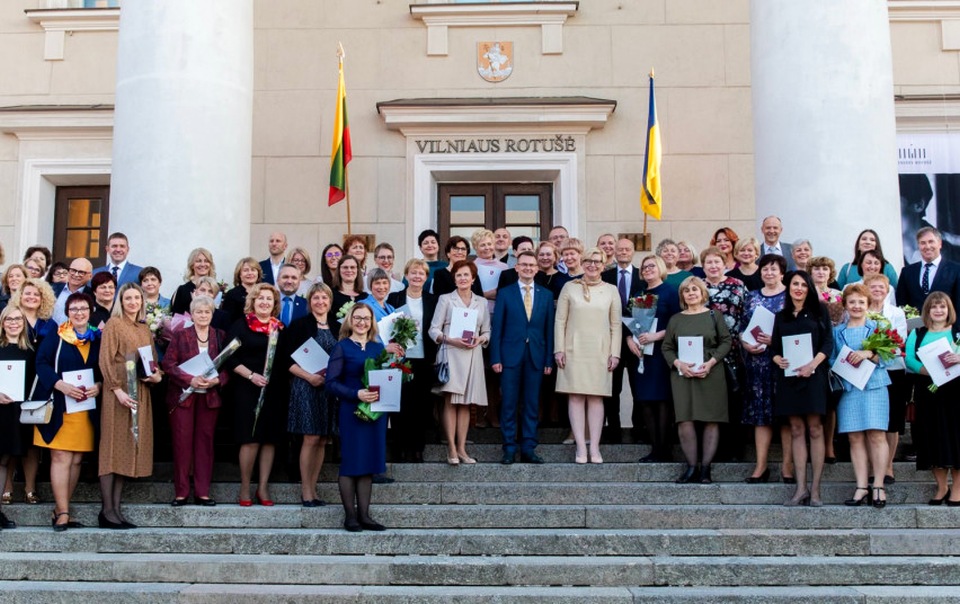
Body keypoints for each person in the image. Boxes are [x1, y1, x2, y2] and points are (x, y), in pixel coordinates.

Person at [34, 292, 102, 531]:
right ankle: (63, 512)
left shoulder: (97, 337)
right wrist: (58, 384)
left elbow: (102, 369)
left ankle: (62, 508)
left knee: (76, 460)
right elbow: (40, 362)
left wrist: (99, 386)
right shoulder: (58, 334)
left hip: (84, 407)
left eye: (83, 308)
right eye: (74, 309)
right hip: (61, 405)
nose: (79, 313)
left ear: (90, 311)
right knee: (61, 457)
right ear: (68, 313)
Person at [97, 283, 161, 528]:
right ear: (121, 301)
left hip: (140, 393)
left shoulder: (144, 329)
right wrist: (116, 390)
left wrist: (156, 376)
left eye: (137, 298)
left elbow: (152, 362)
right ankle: (106, 510)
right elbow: (105, 359)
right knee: (112, 449)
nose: (133, 302)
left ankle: (116, 510)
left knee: (127, 450)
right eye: (128, 298)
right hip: (119, 395)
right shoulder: (115, 324)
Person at [770, 271, 833, 507]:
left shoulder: (820, 311)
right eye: (795, 284)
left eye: (803, 285)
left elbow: (828, 343)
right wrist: (777, 359)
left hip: (814, 375)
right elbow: (774, 347)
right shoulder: (781, 316)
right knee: (796, 429)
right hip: (789, 378)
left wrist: (812, 365)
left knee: (815, 429)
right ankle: (800, 489)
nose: (798, 288)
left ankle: (815, 490)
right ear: (788, 288)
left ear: (809, 288)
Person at [662, 276, 732, 484]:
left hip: (710, 371)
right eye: (687, 290)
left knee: (711, 419)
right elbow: (666, 347)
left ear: (703, 293)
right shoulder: (675, 319)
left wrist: (711, 363)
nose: (691, 293)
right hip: (683, 375)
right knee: (685, 420)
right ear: (682, 295)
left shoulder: (714, 315)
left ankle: (705, 469)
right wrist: (678, 364)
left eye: (695, 289)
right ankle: (691, 467)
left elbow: (726, 341)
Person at [554, 247, 620, 464]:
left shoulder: (611, 290)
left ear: (603, 265)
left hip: (600, 351)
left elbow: (615, 324)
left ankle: (595, 448)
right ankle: (581, 447)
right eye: (588, 261)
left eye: (597, 261)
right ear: (582, 263)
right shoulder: (569, 287)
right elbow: (560, 321)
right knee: (575, 396)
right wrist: (559, 349)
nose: (593, 265)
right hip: (574, 349)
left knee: (596, 397)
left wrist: (615, 353)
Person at [325, 302, 387, 532]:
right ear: (351, 320)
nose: (362, 322)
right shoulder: (342, 347)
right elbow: (330, 383)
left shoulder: (377, 348)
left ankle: (365, 515)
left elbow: (383, 378)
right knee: (351, 462)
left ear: (372, 323)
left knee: (368, 463)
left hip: (375, 414)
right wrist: (356, 393)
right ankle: (350, 516)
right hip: (352, 411)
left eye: (367, 319)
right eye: (358, 318)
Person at [161, 295, 227, 507]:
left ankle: (202, 492)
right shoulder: (180, 335)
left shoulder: (220, 336)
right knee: (182, 443)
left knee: (204, 444)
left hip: (209, 397)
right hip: (184, 396)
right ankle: (181, 492)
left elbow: (228, 366)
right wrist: (191, 379)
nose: (203, 315)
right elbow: (168, 365)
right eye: (199, 312)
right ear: (192, 314)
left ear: (212, 314)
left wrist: (218, 380)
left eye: (207, 312)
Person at [490, 251, 555, 464]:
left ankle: (528, 447)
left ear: (537, 269)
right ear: (516, 268)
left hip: (536, 357)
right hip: (509, 357)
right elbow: (497, 327)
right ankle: (509, 447)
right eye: (524, 265)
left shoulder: (545, 295)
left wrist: (548, 360)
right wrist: (495, 357)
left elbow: (549, 330)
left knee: (531, 404)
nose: (528, 268)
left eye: (532, 265)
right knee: (508, 403)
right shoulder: (506, 293)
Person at [832, 283, 892, 508]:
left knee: (877, 435)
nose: (856, 306)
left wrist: (870, 353)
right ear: (845, 305)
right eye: (852, 302)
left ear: (868, 305)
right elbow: (831, 360)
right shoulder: (837, 332)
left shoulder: (877, 327)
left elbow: (890, 357)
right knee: (854, 437)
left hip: (875, 386)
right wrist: (840, 363)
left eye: (861, 302)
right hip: (849, 388)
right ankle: (860, 486)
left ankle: (878, 485)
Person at [225, 283, 284, 506]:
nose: (264, 302)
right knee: (249, 439)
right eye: (260, 298)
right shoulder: (240, 326)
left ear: (274, 303)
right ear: (253, 301)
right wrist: (251, 376)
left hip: (273, 389)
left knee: (269, 440)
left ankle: (263, 487)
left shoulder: (279, 327)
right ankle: (245, 487)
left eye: (269, 299)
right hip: (247, 387)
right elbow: (229, 357)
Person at [281, 282, 339, 507]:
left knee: (323, 439)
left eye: (324, 298)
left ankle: (314, 489)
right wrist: (309, 377)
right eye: (316, 298)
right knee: (311, 437)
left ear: (330, 302)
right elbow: (286, 360)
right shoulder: (298, 325)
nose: (320, 302)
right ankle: (306, 491)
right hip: (306, 386)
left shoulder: (338, 326)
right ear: (309, 302)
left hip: (329, 389)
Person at [429, 260, 490, 464]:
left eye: (466, 275)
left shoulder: (481, 301)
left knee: (465, 404)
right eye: (459, 275)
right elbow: (433, 330)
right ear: (454, 279)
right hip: (451, 353)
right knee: (450, 401)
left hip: (472, 354)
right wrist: (450, 339)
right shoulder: (446, 299)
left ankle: (462, 449)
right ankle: (451, 449)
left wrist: (481, 339)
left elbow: (487, 331)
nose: (463, 278)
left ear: (473, 279)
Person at [3, 279, 56, 505]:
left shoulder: (49, 325)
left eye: (36, 294)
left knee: (31, 443)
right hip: (7, 393)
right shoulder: (10, 321)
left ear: (43, 298)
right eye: (27, 294)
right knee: (9, 442)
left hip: (34, 389)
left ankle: (30, 488)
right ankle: (6, 489)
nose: (32, 297)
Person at [904, 292, 960, 506]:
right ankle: (941, 486)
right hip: (927, 390)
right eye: (934, 307)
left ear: (949, 310)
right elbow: (909, 358)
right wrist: (925, 370)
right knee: (931, 437)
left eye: (942, 307)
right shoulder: (917, 333)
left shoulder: (957, 333)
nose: (938, 311)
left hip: (954, 393)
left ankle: (957, 488)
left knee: (954, 438)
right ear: (927, 311)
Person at [741, 254, 791, 483]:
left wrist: (775, 341)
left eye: (774, 269)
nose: (769, 273)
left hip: (782, 363)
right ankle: (761, 466)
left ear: (782, 273)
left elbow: (796, 330)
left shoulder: (790, 297)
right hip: (757, 365)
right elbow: (742, 328)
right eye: (765, 269)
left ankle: (787, 466)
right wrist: (745, 344)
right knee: (761, 417)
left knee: (786, 417)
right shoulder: (751, 297)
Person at [627, 254, 681, 460]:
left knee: (662, 401)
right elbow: (628, 322)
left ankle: (665, 449)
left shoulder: (670, 292)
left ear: (660, 268)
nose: (648, 269)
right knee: (645, 401)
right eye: (644, 267)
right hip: (641, 355)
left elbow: (678, 321)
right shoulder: (638, 293)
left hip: (661, 354)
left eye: (652, 266)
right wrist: (629, 341)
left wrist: (656, 336)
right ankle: (654, 448)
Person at [388, 259, 438, 463]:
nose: (417, 277)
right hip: (400, 358)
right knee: (400, 404)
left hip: (424, 359)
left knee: (421, 405)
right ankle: (399, 448)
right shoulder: (395, 297)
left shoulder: (433, 300)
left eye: (422, 274)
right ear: (406, 275)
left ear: (426, 278)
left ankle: (417, 448)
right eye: (413, 273)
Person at [701, 247, 748, 462]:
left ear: (725, 264)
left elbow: (746, 315)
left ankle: (735, 450)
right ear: (703, 266)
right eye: (708, 262)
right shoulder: (697, 287)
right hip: (705, 354)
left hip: (733, 352)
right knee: (711, 403)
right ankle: (713, 451)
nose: (713, 266)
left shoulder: (737, 286)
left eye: (716, 262)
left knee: (733, 400)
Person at [865, 273, 908, 485]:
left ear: (888, 289)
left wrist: (874, 352)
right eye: (873, 287)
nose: (877, 290)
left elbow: (899, 341)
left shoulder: (897, 313)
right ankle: (873, 465)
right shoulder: (859, 311)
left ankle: (888, 465)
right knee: (872, 420)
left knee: (892, 421)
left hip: (892, 370)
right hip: (866, 372)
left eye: (881, 287)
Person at [601, 238, 642, 445]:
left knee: (638, 387)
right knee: (612, 388)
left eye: (627, 249)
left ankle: (638, 428)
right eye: (620, 249)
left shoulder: (642, 276)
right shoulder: (605, 276)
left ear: (633, 252)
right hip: (611, 341)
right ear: (614, 252)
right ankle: (613, 429)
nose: (623, 252)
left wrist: (633, 335)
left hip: (636, 342)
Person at [0, 305, 35, 527]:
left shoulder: (30, 351)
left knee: (4, 459)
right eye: (8, 319)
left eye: (18, 319)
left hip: (16, 412)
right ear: (2, 324)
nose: (13, 323)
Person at [896, 226, 960, 311]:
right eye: (923, 243)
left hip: (945, 323)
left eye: (931, 242)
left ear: (940, 244)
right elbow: (901, 304)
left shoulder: (956, 270)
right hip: (916, 324)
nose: (927, 246)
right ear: (918, 245)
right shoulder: (907, 272)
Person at [171, 247, 216, 315]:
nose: (203, 264)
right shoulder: (182, 290)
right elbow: (176, 317)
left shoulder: (217, 288)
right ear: (192, 265)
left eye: (206, 261)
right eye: (198, 261)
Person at [221, 257, 263, 327]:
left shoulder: (264, 292)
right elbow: (227, 321)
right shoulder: (232, 295)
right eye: (246, 270)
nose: (250, 273)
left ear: (258, 273)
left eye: (253, 270)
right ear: (239, 274)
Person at [52, 258, 94, 323]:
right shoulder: (53, 289)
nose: (76, 274)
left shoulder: (92, 296)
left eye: (81, 272)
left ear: (90, 276)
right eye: (73, 270)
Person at [330, 255, 369, 321]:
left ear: (357, 270)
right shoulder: (330, 294)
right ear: (339, 270)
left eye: (352, 267)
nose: (349, 270)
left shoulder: (365, 297)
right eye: (345, 267)